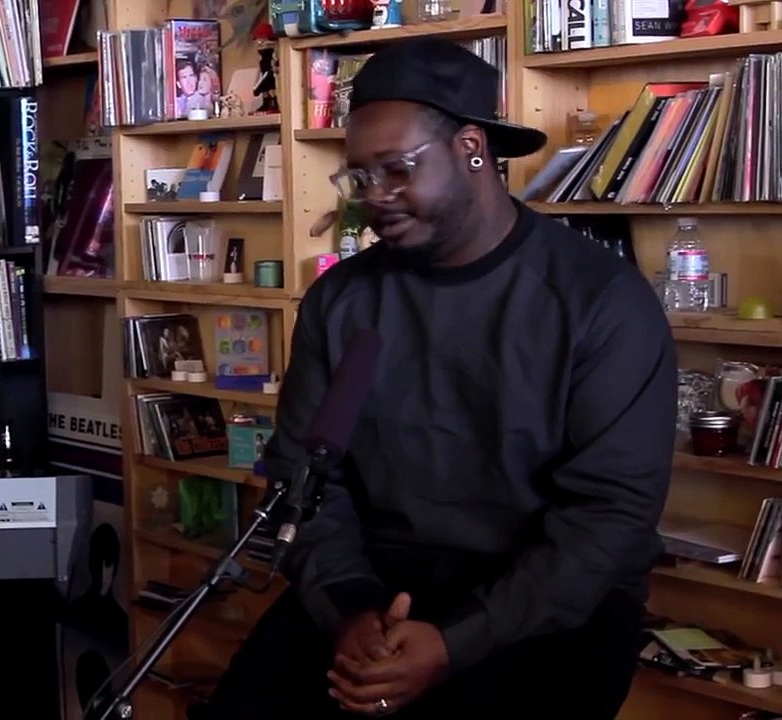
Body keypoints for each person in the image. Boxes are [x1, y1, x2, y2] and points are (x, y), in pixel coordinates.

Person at [199, 37, 676, 720]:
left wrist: (454, 643)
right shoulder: (342, 302)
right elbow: (304, 481)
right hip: (373, 582)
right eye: (358, 178)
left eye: (396, 169)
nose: (375, 198)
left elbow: (609, 522)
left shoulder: (601, 302)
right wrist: (352, 613)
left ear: (473, 149)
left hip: (546, 600)